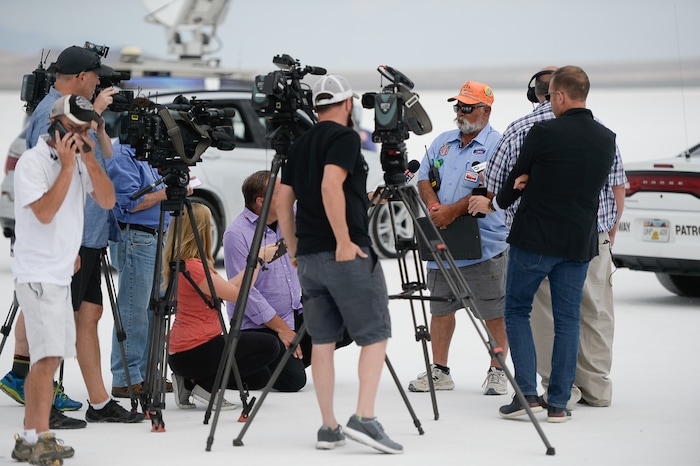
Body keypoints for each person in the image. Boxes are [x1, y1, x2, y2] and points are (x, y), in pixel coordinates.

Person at [469, 66, 616, 423]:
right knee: (569, 321)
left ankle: (527, 396)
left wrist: (501, 198)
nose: (550, 102)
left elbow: (515, 178)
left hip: (534, 239)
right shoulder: (606, 137)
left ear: (560, 95)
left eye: (551, 96)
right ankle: (560, 404)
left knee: (517, 311)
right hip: (579, 243)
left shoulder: (542, 131)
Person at [277, 74, 403, 454]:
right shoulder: (344, 137)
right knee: (375, 333)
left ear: (316, 107)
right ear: (347, 104)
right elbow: (331, 186)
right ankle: (364, 418)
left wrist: (296, 248)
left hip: (311, 258)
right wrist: (345, 240)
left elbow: (283, 201)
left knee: (324, 341)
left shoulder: (299, 145)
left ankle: (328, 426)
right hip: (343, 254)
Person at [11, 94, 116, 464]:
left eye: (86, 130)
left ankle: (28, 437)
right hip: (38, 274)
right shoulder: (33, 163)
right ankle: (40, 438)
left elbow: (106, 200)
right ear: (56, 125)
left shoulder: (78, 158)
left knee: (50, 357)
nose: (81, 136)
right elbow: (43, 212)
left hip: (58, 273)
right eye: (76, 128)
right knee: (47, 357)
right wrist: (69, 168)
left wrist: (88, 158)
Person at [409, 81, 510, 396]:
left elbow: (494, 190)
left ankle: (497, 370)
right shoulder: (442, 141)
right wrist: (435, 206)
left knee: (493, 312)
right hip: (443, 242)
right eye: (458, 106)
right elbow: (423, 177)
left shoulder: (498, 144)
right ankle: (440, 370)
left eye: (467, 107)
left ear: (485, 110)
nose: (461, 113)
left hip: (485, 246)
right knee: (440, 310)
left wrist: (452, 211)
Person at [167, 202, 281, 404]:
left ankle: (190, 381)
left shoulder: (185, 264)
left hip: (185, 352)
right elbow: (238, 294)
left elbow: (225, 289)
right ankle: (204, 386)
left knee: (260, 376)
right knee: (270, 346)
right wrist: (258, 260)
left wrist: (252, 261)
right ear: (200, 230)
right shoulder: (194, 268)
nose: (212, 229)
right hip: (195, 349)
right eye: (208, 225)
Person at [107, 97, 171, 401]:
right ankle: (125, 378)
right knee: (134, 309)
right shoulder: (121, 155)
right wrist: (166, 193)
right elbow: (129, 203)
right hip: (136, 238)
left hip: (154, 236)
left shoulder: (144, 153)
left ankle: (146, 374)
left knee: (152, 309)